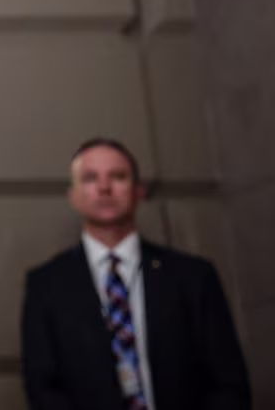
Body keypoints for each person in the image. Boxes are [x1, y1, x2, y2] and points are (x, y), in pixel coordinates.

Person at [21, 138, 250, 410]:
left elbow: (228, 383)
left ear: (139, 190)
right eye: (91, 178)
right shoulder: (46, 285)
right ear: (74, 195)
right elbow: (43, 389)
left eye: (118, 176)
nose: (105, 188)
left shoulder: (193, 277)